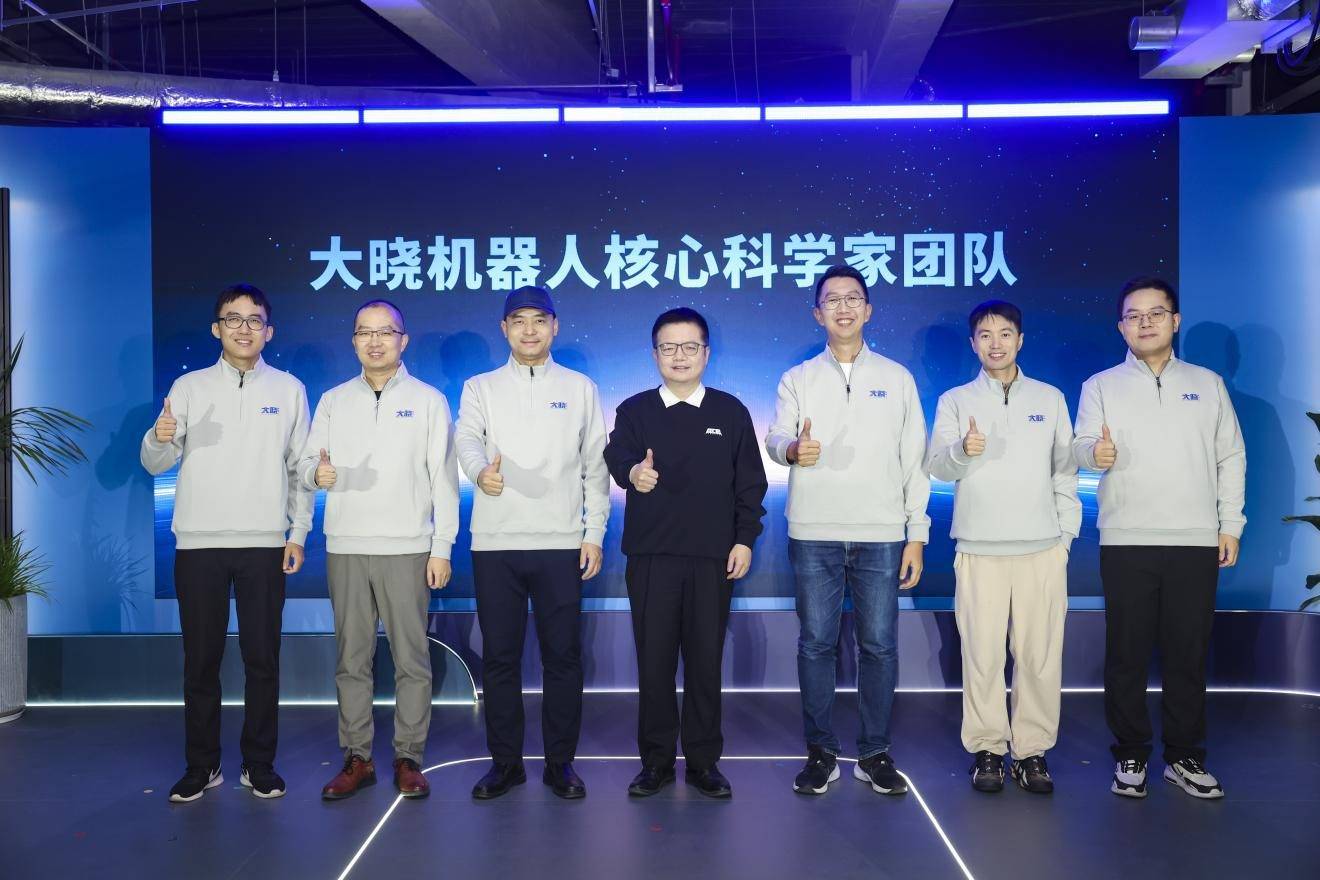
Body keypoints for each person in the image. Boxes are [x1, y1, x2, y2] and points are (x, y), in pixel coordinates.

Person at [1074, 277, 1245, 800]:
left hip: (1194, 538)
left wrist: (1229, 524)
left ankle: (1184, 756)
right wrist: (1093, 454)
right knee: (1126, 653)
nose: (1144, 323)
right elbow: (1080, 445)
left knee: (1187, 653)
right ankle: (1130, 753)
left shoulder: (1207, 384)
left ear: (1175, 320)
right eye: (1134, 315)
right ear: (1120, 326)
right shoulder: (1100, 385)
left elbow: (1230, 455)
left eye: (1155, 313)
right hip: (1126, 537)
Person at [141, 283, 312, 803]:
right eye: (233, 319)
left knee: (263, 660)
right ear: (217, 328)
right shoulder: (189, 387)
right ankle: (203, 765)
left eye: (254, 320)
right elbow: (154, 462)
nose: (244, 328)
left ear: (269, 331)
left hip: (265, 543)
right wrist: (160, 437)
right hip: (199, 544)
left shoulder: (289, 390)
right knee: (201, 661)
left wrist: (297, 533)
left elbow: (301, 468)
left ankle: (259, 764)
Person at [765, 265, 929, 797]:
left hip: (882, 533)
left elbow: (914, 461)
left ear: (868, 310)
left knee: (879, 645)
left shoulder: (897, 378)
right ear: (818, 314)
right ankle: (820, 751)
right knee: (816, 644)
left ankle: (874, 752)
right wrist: (793, 449)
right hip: (814, 531)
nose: (843, 307)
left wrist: (916, 533)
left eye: (853, 298)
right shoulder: (797, 378)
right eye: (832, 300)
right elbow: (776, 438)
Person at [603, 307, 768, 799]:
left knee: (704, 662)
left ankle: (703, 762)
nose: (679, 356)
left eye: (690, 347)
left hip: (713, 559)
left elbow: (751, 484)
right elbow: (616, 455)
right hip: (652, 558)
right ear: (655, 354)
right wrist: (633, 473)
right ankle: (654, 762)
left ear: (706, 353)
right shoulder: (635, 410)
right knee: (654, 664)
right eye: (669, 347)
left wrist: (744, 539)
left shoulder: (730, 412)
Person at [455, 286, 610, 800]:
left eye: (539, 320)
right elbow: (466, 439)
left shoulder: (580, 388)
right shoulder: (480, 387)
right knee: (500, 659)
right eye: (518, 320)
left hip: (561, 542)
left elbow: (595, 467)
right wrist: (480, 472)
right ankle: (506, 764)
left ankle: (560, 764)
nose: (529, 330)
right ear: (504, 329)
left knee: (562, 658)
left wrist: (592, 534)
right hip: (495, 542)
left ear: (555, 327)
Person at [303, 299, 459, 801]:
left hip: (408, 547)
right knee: (352, 659)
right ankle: (358, 757)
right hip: (346, 546)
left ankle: (409, 756)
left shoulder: (429, 400)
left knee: (412, 659)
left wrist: (441, 547)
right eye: (364, 332)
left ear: (402, 340)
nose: (374, 341)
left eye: (385, 332)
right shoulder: (332, 401)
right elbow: (305, 464)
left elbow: (443, 480)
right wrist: (316, 474)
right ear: (353, 341)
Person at [926, 300, 1080, 794]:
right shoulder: (955, 400)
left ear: (1020, 340)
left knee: (1039, 657)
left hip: (1042, 550)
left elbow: (1065, 472)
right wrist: (961, 451)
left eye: (1005, 333)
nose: (996, 343)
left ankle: (1032, 752)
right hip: (979, 548)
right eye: (986, 335)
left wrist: (1065, 539)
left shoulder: (1049, 397)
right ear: (973, 344)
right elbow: (936, 466)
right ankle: (988, 749)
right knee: (982, 655)